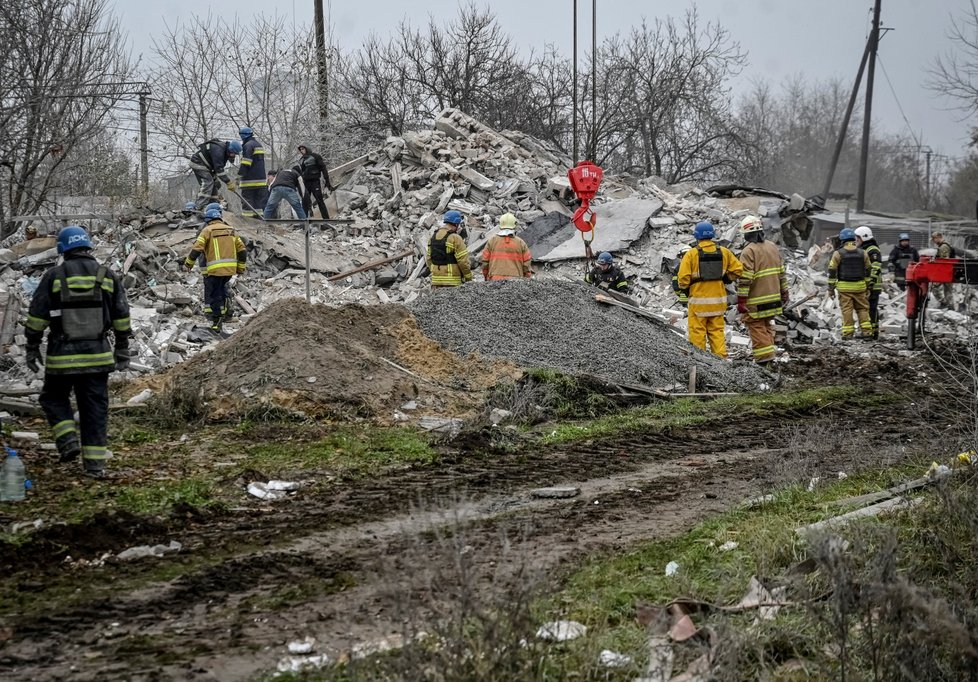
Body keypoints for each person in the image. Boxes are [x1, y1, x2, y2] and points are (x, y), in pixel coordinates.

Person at [23, 226, 131, 478]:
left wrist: (31, 346)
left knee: (52, 397)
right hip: (98, 357)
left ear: (62, 249)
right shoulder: (106, 276)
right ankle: (95, 466)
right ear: (88, 246)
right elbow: (121, 316)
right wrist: (122, 348)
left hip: (62, 357)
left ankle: (67, 439)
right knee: (94, 409)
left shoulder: (54, 276)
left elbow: (37, 317)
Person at [677, 221, 743, 358]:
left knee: (697, 333)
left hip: (698, 304)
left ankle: (699, 362)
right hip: (718, 303)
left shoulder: (691, 254)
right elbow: (738, 270)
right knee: (717, 332)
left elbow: (683, 280)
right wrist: (726, 279)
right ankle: (720, 363)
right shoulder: (724, 252)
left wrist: (688, 288)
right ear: (712, 235)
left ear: (697, 236)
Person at [183, 203, 247, 334]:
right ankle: (224, 315)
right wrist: (240, 268)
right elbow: (242, 250)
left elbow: (197, 248)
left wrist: (188, 264)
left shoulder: (207, 231)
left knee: (214, 294)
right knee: (222, 291)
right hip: (229, 270)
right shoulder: (231, 230)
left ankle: (217, 322)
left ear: (208, 220)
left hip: (214, 270)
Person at [736, 215, 788, 365]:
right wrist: (785, 292)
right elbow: (781, 273)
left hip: (756, 301)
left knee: (756, 326)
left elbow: (745, 279)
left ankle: (764, 360)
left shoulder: (748, 251)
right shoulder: (772, 246)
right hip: (774, 298)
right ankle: (769, 356)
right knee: (766, 326)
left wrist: (741, 301)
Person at [827, 228, 872, 340]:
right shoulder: (863, 253)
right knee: (862, 309)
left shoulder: (838, 253)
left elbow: (832, 271)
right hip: (860, 287)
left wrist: (831, 289)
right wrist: (867, 285)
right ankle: (867, 333)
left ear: (842, 239)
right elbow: (868, 269)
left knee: (847, 310)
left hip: (844, 288)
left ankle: (848, 334)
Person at [189, 138, 242, 210]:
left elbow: (217, 168)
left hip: (207, 167)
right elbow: (219, 169)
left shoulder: (225, 152)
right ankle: (199, 206)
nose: (234, 156)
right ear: (231, 150)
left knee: (215, 185)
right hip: (198, 163)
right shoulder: (219, 150)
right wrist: (228, 182)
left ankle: (212, 205)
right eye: (234, 154)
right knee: (208, 182)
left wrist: (216, 179)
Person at [426, 210, 472, 288]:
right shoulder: (455, 237)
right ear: (456, 223)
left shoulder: (433, 236)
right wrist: (468, 277)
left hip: (436, 281)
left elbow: (428, 259)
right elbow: (463, 261)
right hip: (452, 282)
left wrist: (436, 272)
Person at [482, 213, 533, 281]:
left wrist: (486, 277)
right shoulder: (521, 243)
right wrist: (526, 278)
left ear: (500, 225)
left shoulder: (492, 241)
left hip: (494, 279)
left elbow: (485, 262)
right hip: (516, 280)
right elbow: (527, 265)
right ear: (514, 226)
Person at [854, 226, 883, 339]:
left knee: (871, 308)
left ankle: (872, 333)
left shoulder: (873, 250)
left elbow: (875, 268)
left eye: (857, 239)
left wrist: (870, 284)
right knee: (866, 308)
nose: (856, 241)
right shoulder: (865, 249)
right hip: (867, 284)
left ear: (863, 238)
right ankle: (868, 332)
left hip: (873, 286)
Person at [237, 127, 268, 218]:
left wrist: (239, 176)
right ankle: (259, 222)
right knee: (258, 204)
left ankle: (248, 222)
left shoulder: (248, 146)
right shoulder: (258, 145)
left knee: (247, 203)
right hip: (261, 181)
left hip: (249, 181)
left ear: (243, 136)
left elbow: (246, 162)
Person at [297, 144, 334, 219]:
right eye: (300, 149)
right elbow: (301, 172)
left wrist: (327, 181)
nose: (301, 150)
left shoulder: (315, 156)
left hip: (315, 182)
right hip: (306, 183)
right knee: (305, 202)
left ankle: (326, 219)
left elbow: (323, 168)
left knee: (319, 200)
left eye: (303, 148)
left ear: (307, 148)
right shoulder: (301, 160)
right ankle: (304, 221)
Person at [932, 232, 956, 309]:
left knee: (934, 287)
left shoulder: (944, 247)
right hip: (948, 271)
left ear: (938, 237)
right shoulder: (944, 246)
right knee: (948, 290)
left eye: (934, 239)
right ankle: (950, 307)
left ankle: (944, 303)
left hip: (945, 272)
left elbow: (944, 261)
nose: (934, 241)